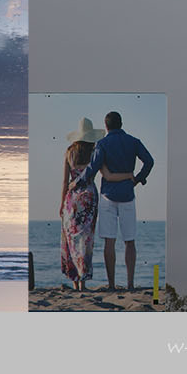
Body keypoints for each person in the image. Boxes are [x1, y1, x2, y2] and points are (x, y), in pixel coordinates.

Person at [73, 111, 155, 290]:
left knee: (109, 242)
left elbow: (92, 169)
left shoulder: (102, 144)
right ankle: (130, 284)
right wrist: (139, 178)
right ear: (121, 123)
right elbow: (149, 161)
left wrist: (76, 184)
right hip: (128, 195)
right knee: (130, 241)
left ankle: (111, 285)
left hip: (108, 197)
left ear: (106, 126)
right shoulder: (134, 141)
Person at [58, 117, 134, 291]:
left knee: (71, 239)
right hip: (89, 199)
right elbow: (107, 176)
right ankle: (83, 282)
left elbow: (64, 182)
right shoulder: (95, 151)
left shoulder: (69, 152)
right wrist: (128, 176)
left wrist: (62, 203)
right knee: (86, 240)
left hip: (72, 199)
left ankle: (75, 282)